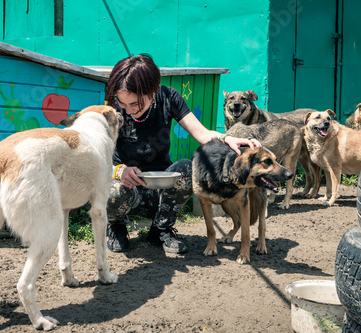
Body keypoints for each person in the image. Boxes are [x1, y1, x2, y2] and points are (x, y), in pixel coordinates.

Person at [105, 53, 260, 254]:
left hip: (158, 188)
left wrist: (227, 138)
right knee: (114, 190)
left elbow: (202, 133)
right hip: (125, 187)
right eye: (122, 104)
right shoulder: (111, 108)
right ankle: (116, 227)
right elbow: (100, 159)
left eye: (134, 104)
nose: (126, 111)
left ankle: (161, 229)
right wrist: (119, 171)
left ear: (152, 91)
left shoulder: (168, 97)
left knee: (187, 168)